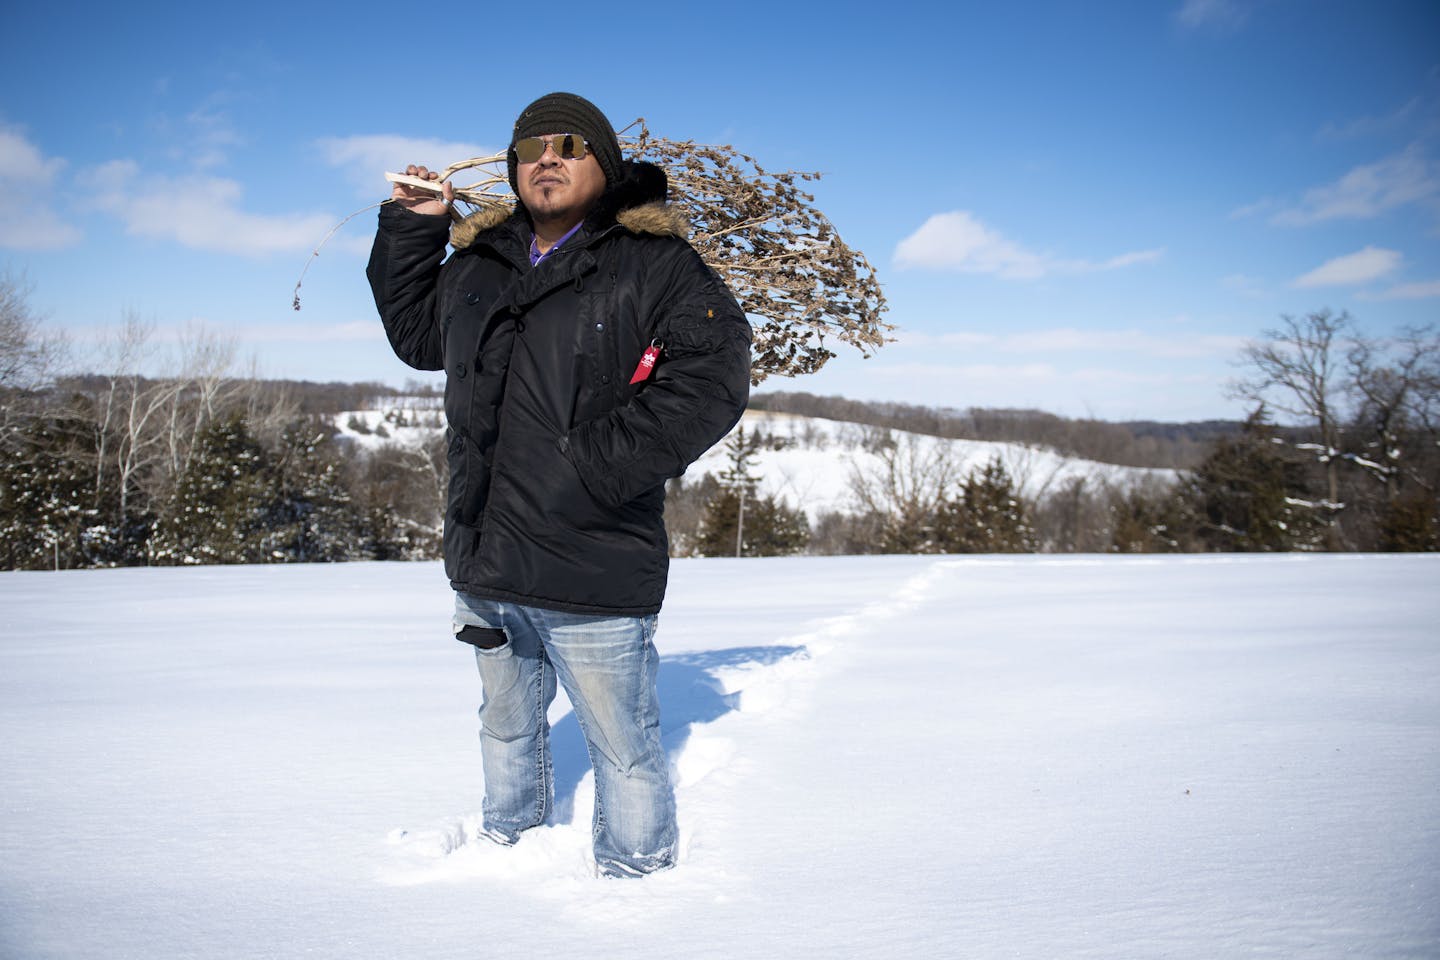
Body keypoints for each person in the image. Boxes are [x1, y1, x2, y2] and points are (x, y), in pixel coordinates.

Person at [366, 92, 751, 877]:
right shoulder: (479, 261)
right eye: (532, 147)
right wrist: (415, 227)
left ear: (603, 167)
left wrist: (590, 469)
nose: (548, 158)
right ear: (511, 168)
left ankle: (638, 882)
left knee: (624, 747)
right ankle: (507, 854)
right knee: (505, 728)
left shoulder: (653, 263)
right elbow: (416, 338)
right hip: (487, 559)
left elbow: (713, 377)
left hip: (594, 561)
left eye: (569, 146)